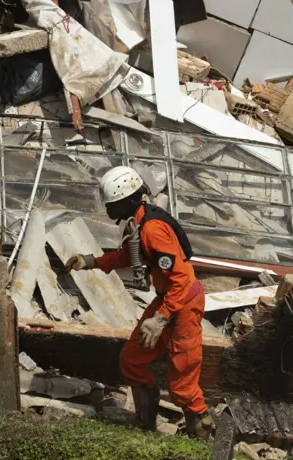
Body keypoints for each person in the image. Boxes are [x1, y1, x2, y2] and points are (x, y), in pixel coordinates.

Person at [64, 166, 213, 438]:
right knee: (131, 360)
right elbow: (129, 255)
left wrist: (161, 318)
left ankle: (201, 435)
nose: (108, 209)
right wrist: (90, 261)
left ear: (129, 199)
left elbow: (180, 278)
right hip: (168, 299)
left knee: (182, 385)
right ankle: (146, 425)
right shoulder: (139, 223)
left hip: (183, 303)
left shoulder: (153, 229)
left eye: (112, 203)